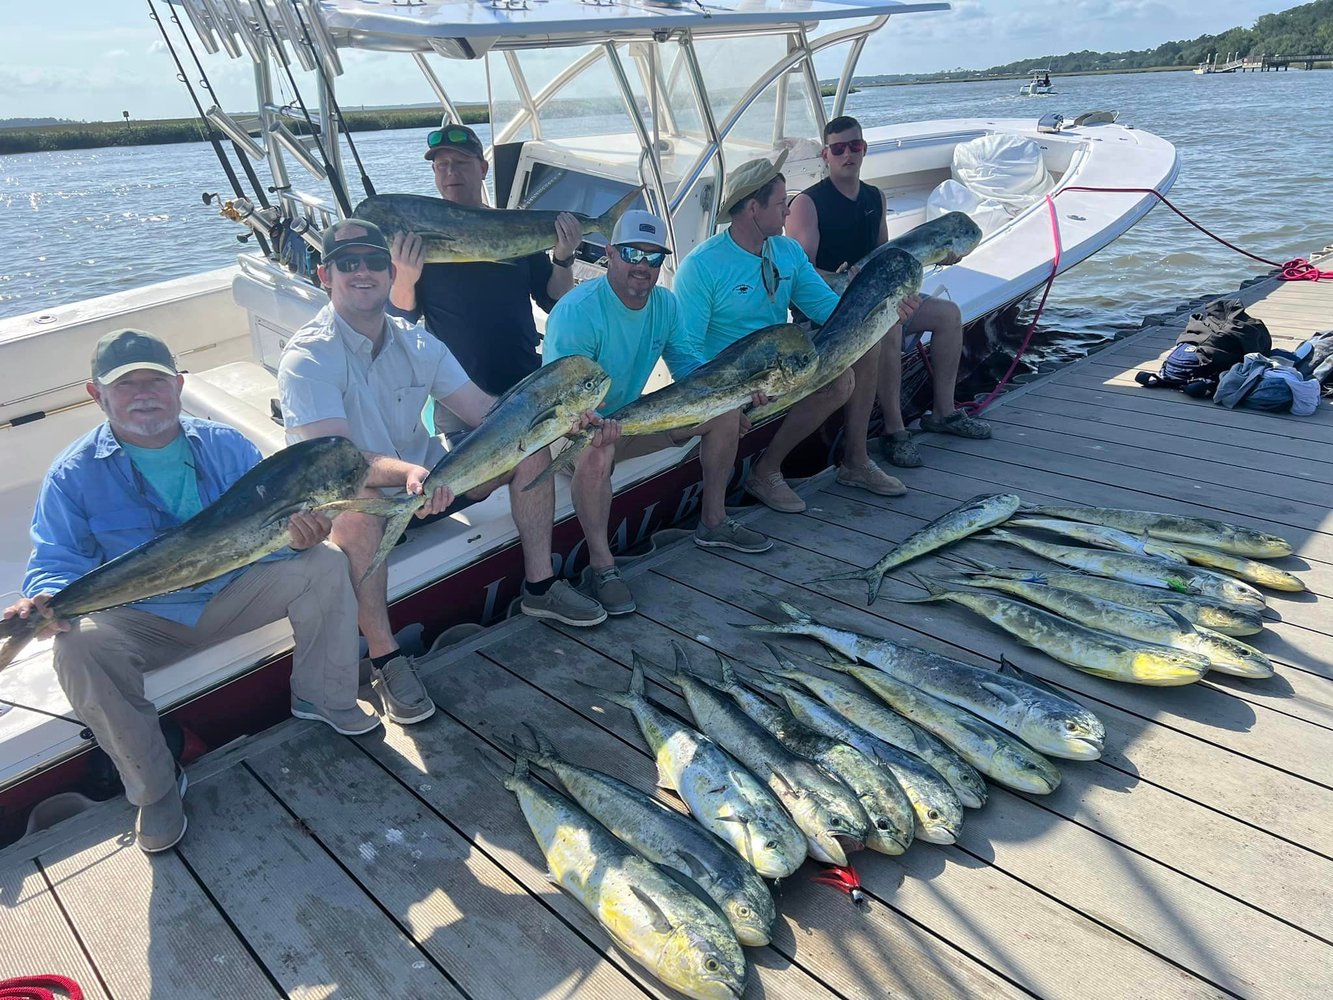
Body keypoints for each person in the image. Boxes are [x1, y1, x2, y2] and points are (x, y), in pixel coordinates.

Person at [2, 329, 371, 854]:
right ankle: (154, 789)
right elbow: (57, 561)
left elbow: (264, 539)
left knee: (324, 561)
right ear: (96, 395)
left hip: (231, 594)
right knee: (76, 643)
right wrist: (45, 600)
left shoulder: (226, 445)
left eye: (155, 379)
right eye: (125, 385)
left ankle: (324, 697)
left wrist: (297, 539)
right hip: (144, 618)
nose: (144, 393)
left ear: (178, 385)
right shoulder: (72, 474)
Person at [279, 220, 605, 716]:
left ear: (392, 273)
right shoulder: (306, 357)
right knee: (357, 512)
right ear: (325, 275)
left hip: (426, 484)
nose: (361, 272)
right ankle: (386, 661)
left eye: (372, 261)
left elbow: (486, 413)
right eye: (348, 263)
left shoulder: (420, 343)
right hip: (356, 495)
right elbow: (337, 460)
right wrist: (410, 473)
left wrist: (556, 418)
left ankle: (540, 587)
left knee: (528, 449)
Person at [544, 211, 773, 614]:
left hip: (633, 417)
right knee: (596, 449)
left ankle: (714, 522)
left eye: (653, 257)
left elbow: (688, 366)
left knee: (722, 413)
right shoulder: (577, 311)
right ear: (610, 254)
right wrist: (591, 422)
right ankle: (603, 568)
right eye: (632, 253)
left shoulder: (665, 304)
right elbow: (561, 402)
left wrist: (736, 393)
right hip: (571, 427)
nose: (642, 266)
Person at [674, 152, 904, 514]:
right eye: (782, 203)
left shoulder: (788, 251)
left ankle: (846, 462)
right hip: (730, 381)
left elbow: (829, 311)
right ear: (753, 208)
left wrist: (885, 303)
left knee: (864, 345)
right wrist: (723, 404)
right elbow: (685, 349)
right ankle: (760, 476)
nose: (788, 212)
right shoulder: (701, 266)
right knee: (841, 378)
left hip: (781, 370)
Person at [786, 115, 991, 473]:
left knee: (949, 315)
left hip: (879, 298)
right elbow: (799, 272)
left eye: (855, 146)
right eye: (838, 149)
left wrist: (943, 256)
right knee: (891, 325)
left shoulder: (874, 197)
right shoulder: (808, 203)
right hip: (830, 308)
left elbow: (888, 258)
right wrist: (840, 278)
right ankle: (895, 431)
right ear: (826, 155)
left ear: (864, 149)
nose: (848, 154)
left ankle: (944, 412)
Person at [387, 121, 581, 418]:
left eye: (462, 163)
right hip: (457, 394)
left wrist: (564, 258)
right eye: (442, 165)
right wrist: (404, 277)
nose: (451, 172)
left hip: (524, 381)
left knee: (542, 465)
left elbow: (553, 300)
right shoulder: (417, 237)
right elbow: (402, 318)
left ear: (483, 168)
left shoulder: (513, 227)